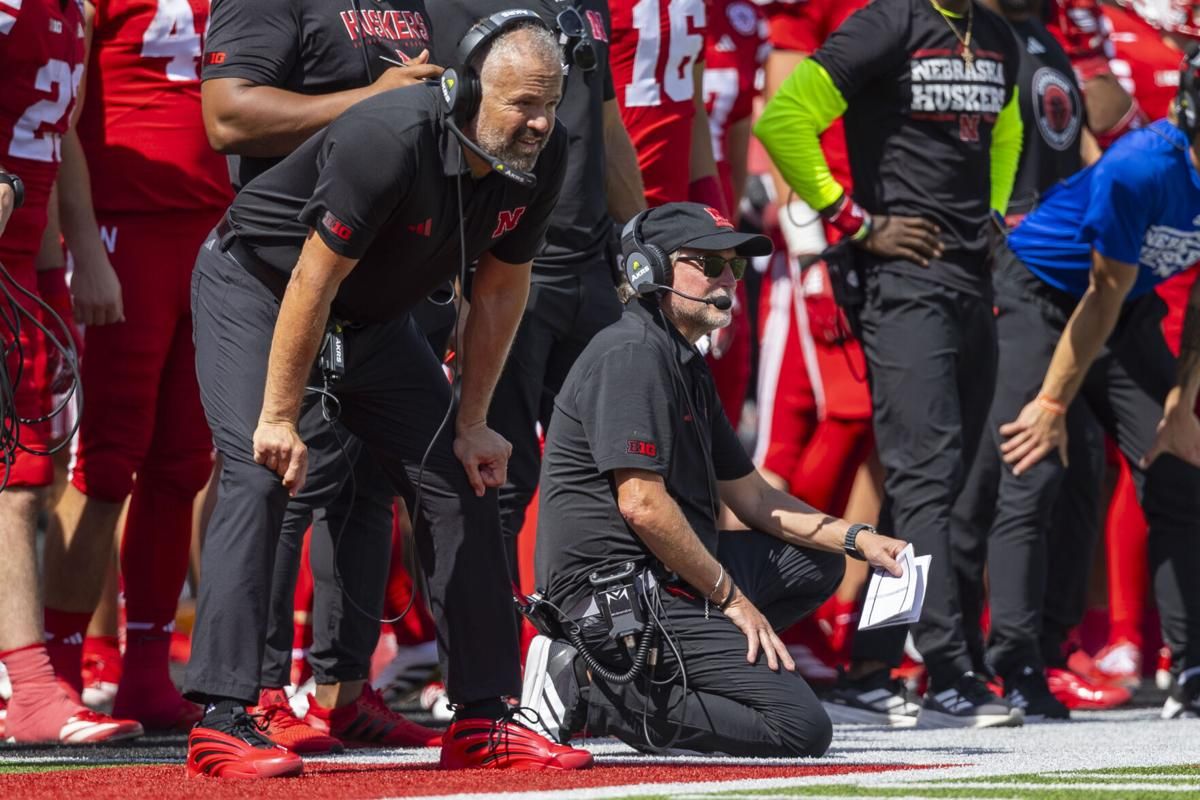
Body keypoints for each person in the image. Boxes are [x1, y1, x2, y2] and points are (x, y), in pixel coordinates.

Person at [183, 11, 593, 778]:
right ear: (467, 87)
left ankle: (483, 715)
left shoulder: (548, 151)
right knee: (256, 468)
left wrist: (471, 421)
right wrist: (278, 414)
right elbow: (312, 279)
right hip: (262, 287)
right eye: (521, 105)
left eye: (550, 102)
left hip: (370, 316)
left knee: (458, 477)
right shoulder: (389, 134)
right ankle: (222, 715)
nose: (539, 122)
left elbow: (503, 288)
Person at [521, 202, 908, 757]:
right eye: (708, 263)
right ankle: (588, 688)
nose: (727, 280)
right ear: (646, 270)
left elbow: (752, 495)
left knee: (815, 561)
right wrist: (732, 600)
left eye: (734, 267)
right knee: (799, 728)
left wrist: (857, 539)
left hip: (661, 576)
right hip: (612, 597)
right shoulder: (633, 353)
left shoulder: (680, 358)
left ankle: (666, 679)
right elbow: (642, 505)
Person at [756, 0, 1028, 728]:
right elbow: (782, 121)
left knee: (941, 483)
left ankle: (873, 660)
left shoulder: (994, 33)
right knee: (926, 476)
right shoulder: (888, 22)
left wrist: (994, 212)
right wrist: (852, 219)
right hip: (900, 285)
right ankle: (948, 668)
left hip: (973, 277)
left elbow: (1008, 129)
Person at [199, 0, 443, 752]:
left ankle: (343, 690)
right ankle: (259, 694)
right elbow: (228, 117)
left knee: (374, 483)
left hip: (380, 274)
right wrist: (369, 101)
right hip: (285, 262)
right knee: (280, 473)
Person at [37, 0, 234, 733]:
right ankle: (55, 668)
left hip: (211, 227)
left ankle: (148, 671)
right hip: (124, 226)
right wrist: (83, 244)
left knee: (183, 461)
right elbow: (57, 113)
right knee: (107, 461)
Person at [993, 50, 1200, 721]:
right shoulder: (1140, 166)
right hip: (1044, 295)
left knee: (1176, 466)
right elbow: (1099, 292)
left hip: (1126, 307)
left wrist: (1182, 404)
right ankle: (1016, 663)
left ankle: (1189, 662)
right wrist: (1053, 401)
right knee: (1033, 463)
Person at [440, 0, 648, 581]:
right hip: (502, 268)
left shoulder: (587, 5)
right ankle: (491, 661)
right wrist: (452, 283)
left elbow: (604, 128)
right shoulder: (449, 7)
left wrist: (646, 247)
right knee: (496, 478)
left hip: (590, 267)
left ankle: (587, 651)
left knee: (614, 472)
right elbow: (439, 127)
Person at [0, 0, 143, 745]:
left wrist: (75, 255)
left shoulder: (71, 11)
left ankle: (27, 683)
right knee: (15, 486)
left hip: (23, 259)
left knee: (31, 474)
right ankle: (27, 687)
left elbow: (56, 140)